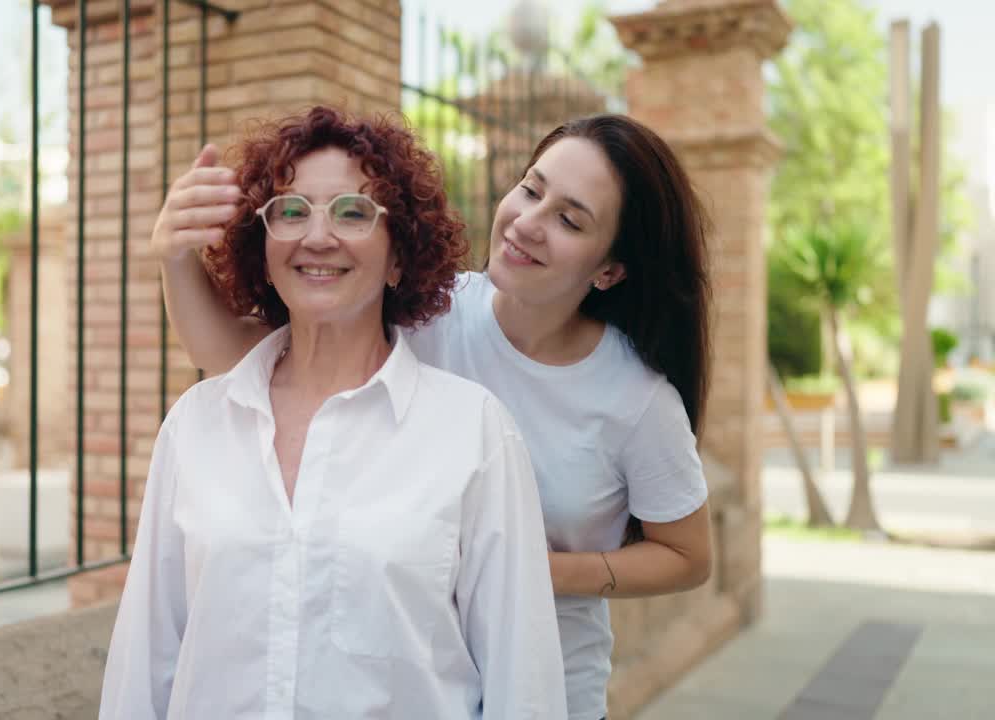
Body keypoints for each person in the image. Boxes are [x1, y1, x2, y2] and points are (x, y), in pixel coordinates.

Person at [154, 112, 715, 720]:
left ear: (609, 269)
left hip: (551, 687)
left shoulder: (636, 400)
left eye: (569, 219)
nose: (527, 223)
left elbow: (687, 557)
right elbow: (236, 356)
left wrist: (530, 572)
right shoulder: (435, 312)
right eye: (531, 189)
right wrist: (177, 256)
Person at [99, 106, 568, 719]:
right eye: (291, 212)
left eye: (353, 212)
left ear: (399, 257)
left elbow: (522, 679)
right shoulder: (196, 425)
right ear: (263, 249)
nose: (317, 236)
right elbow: (147, 660)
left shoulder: (473, 432)